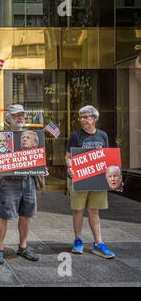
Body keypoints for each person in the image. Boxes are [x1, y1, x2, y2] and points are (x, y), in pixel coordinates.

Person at [0, 104, 42, 265]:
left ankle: (23, 247)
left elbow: (37, 157)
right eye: (17, 115)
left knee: (26, 214)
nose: (21, 117)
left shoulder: (30, 136)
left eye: (22, 114)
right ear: (8, 118)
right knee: (4, 215)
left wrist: (41, 168)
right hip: (8, 182)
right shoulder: (0, 137)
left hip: (28, 180)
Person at [65, 105, 115, 259]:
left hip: (97, 179)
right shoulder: (75, 135)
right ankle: (78, 240)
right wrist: (70, 168)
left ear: (95, 118)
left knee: (94, 210)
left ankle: (98, 243)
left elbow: (106, 156)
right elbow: (68, 156)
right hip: (79, 177)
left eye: (86, 117)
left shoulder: (103, 136)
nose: (82, 120)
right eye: (81, 117)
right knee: (78, 210)